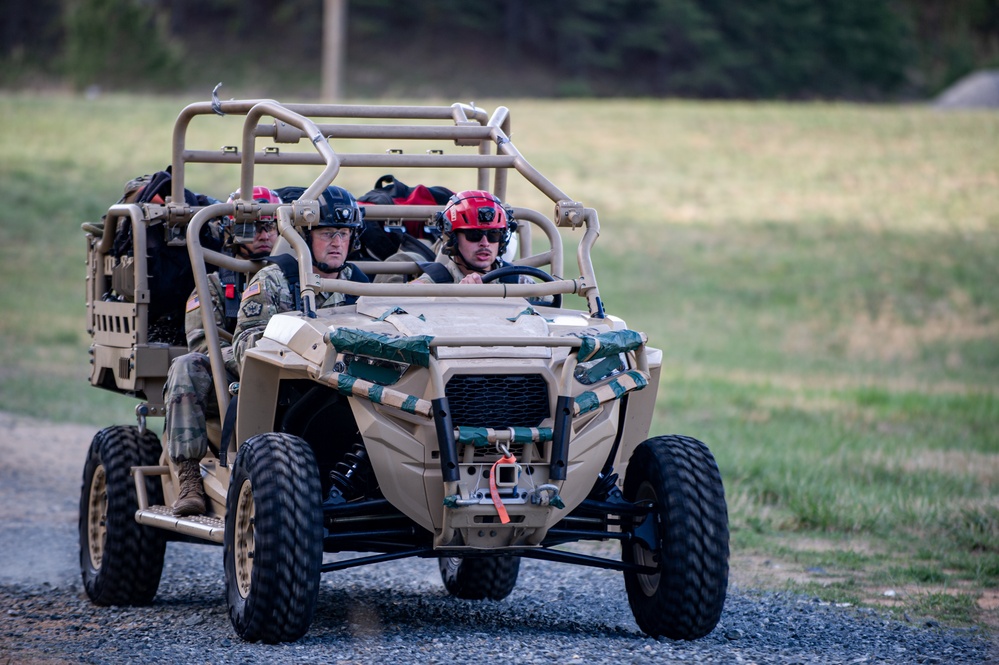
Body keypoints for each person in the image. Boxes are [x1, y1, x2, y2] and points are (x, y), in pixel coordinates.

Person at [164, 186, 280, 516]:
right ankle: (189, 477)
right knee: (187, 366)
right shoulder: (213, 284)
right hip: (229, 376)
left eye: (271, 226)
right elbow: (202, 344)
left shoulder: (293, 275)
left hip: (294, 370)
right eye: (251, 227)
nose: (264, 235)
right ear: (229, 232)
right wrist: (253, 356)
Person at [232, 185, 370, 368]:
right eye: (327, 234)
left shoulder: (359, 283)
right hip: (290, 384)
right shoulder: (271, 281)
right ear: (305, 237)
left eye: (344, 234)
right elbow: (244, 350)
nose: (337, 243)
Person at [412, 190, 518, 285]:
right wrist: (457, 299)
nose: (485, 243)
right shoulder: (429, 285)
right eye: (474, 235)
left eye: (493, 234)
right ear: (453, 239)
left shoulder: (519, 282)